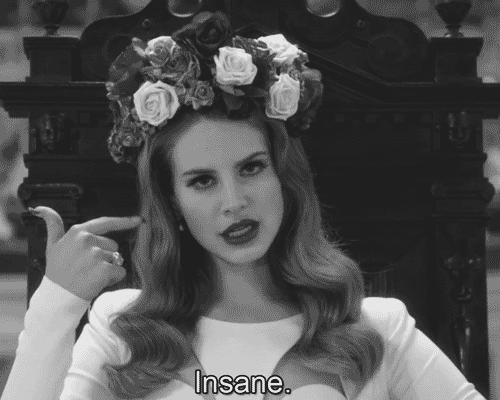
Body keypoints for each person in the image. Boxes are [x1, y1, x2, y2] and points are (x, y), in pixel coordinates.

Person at [1, 10, 487, 400]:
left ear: (284, 178)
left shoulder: (376, 328)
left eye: (251, 168)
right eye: (202, 181)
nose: (234, 203)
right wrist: (56, 304)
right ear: (173, 203)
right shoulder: (122, 327)